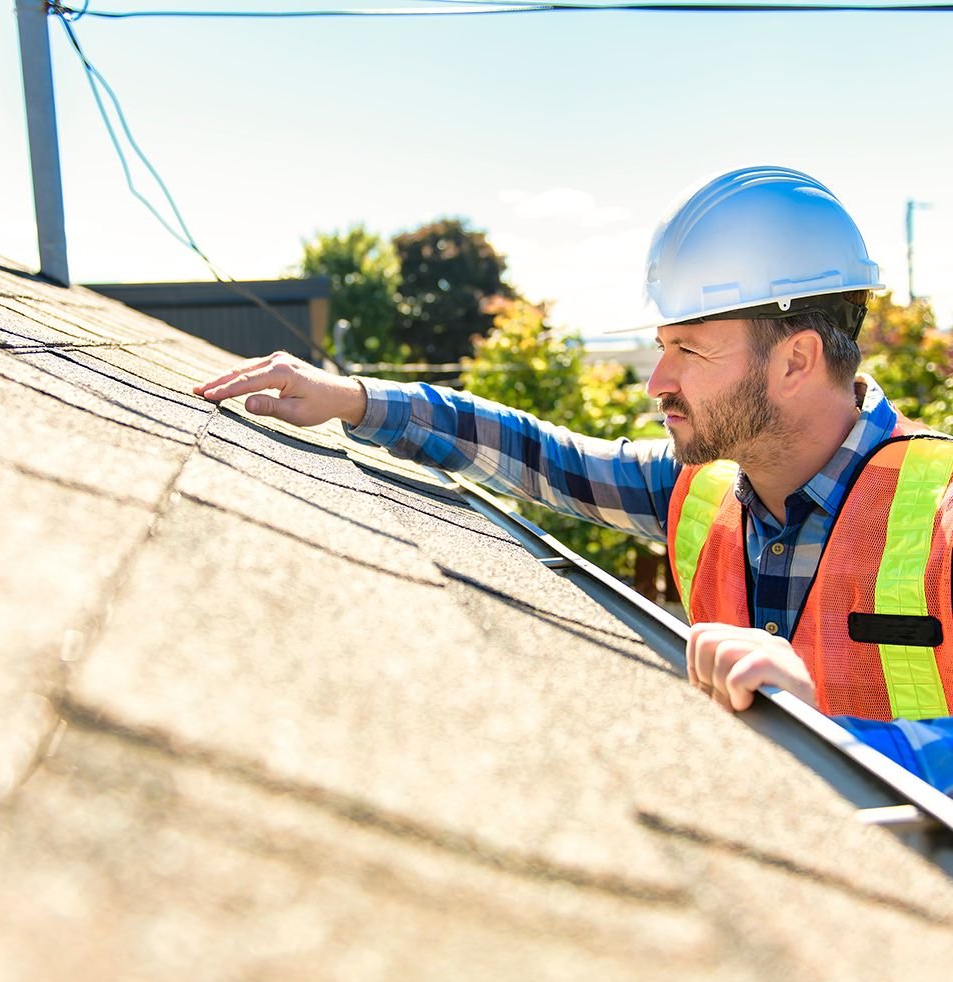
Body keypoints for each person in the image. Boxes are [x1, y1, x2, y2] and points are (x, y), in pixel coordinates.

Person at [195, 165, 953, 792]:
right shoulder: (703, 493)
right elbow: (544, 458)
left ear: (795, 362)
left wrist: (833, 737)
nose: (657, 380)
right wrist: (357, 399)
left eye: (689, 350)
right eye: (662, 346)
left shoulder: (942, 514)